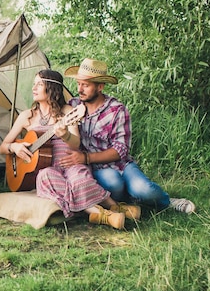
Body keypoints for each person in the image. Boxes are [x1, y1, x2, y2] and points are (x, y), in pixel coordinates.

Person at [0, 69, 141, 230]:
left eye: (39, 84)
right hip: (48, 167)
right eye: (34, 84)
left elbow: (75, 144)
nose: (34, 88)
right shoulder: (26, 116)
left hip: (71, 163)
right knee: (44, 177)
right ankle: (109, 210)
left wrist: (65, 135)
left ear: (52, 89)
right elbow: (3, 147)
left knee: (79, 180)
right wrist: (15, 147)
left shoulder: (67, 112)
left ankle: (105, 213)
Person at [62, 58, 196, 214]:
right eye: (78, 83)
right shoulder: (72, 106)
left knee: (144, 189)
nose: (80, 89)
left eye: (85, 85)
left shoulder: (116, 109)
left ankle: (165, 201)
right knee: (114, 184)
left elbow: (120, 150)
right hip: (96, 170)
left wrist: (86, 158)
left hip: (122, 164)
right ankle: (132, 200)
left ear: (100, 86)